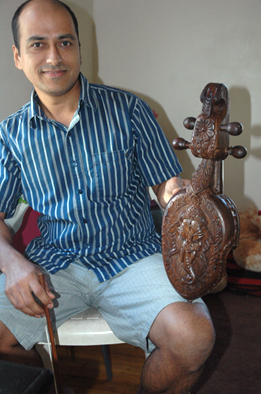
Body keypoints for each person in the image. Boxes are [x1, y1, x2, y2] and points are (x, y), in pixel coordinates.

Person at [0, 1, 215, 393]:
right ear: (17, 56)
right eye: (37, 44)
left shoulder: (130, 110)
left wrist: (180, 197)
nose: (54, 56)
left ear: (80, 48)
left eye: (65, 42)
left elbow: (166, 186)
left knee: (194, 336)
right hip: (54, 264)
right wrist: (10, 262)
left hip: (133, 257)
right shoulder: (9, 136)